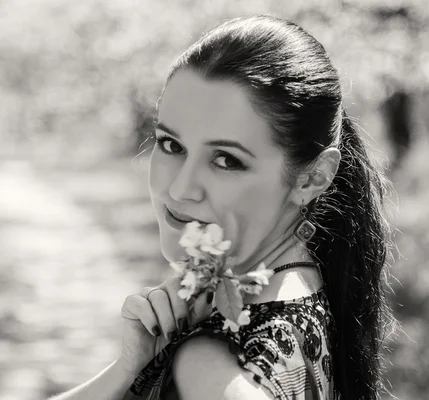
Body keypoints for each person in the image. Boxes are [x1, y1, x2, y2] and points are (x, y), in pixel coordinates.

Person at [50, 14, 394, 400]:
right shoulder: (304, 292)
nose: (181, 189)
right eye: (171, 145)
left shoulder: (210, 366)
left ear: (312, 178)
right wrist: (130, 368)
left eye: (227, 160)